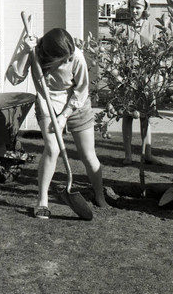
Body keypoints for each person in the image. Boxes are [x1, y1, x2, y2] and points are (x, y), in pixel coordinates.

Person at [7, 27, 108, 218]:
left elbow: (82, 89)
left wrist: (64, 116)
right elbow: (13, 79)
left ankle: (99, 195)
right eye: (64, 59)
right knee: (52, 149)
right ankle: (42, 200)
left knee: (88, 155)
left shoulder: (76, 55)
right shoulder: (35, 52)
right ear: (52, 56)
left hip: (76, 104)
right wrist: (24, 52)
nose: (69, 60)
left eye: (69, 57)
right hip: (47, 104)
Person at [121, 0, 161, 165]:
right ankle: (128, 155)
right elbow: (118, 52)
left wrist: (157, 77)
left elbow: (159, 53)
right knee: (128, 115)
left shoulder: (152, 29)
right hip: (128, 77)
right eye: (132, 7)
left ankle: (147, 153)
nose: (134, 10)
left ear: (145, 9)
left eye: (138, 7)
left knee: (146, 116)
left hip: (146, 77)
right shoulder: (123, 29)